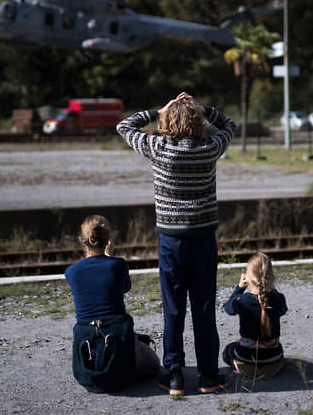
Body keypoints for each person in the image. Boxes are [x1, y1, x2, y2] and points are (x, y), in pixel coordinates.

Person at [116, 92, 236, 396]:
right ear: (197, 121)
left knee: (173, 310)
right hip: (203, 239)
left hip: (171, 240)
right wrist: (204, 108)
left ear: (167, 122)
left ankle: (174, 377)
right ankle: (209, 376)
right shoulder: (209, 148)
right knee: (204, 308)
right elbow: (230, 126)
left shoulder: (158, 148)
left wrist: (160, 109)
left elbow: (124, 127)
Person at [65, 215, 160, 392]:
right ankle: (123, 369)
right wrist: (110, 256)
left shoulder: (71, 272)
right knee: (155, 364)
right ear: (108, 240)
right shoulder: (118, 265)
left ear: (81, 240)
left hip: (88, 343)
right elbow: (124, 287)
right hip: (117, 338)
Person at [222, 253, 288, 378]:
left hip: (247, 357)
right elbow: (283, 310)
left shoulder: (242, 300)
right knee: (275, 351)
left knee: (229, 350)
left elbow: (228, 309)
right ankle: (270, 367)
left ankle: (244, 368)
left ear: (248, 277)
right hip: (272, 357)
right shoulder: (279, 299)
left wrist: (239, 288)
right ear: (271, 275)